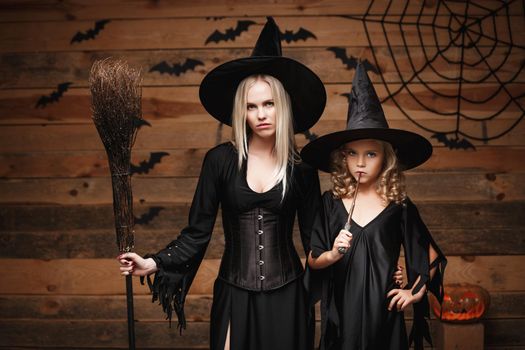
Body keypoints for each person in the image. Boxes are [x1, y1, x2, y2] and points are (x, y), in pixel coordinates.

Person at [117, 17, 327, 350]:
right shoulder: (220, 161)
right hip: (234, 291)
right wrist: (153, 262)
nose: (261, 114)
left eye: (269, 104)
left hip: (289, 295)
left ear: (282, 106)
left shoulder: (301, 169)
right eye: (251, 106)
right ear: (241, 112)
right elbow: (197, 233)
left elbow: (317, 242)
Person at [300, 63, 447, 350]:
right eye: (352, 153)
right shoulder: (330, 203)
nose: (361, 162)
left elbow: (431, 257)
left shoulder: (399, 206)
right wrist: (333, 253)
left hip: (385, 316)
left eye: (371, 153)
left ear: (386, 158)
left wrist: (413, 292)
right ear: (343, 157)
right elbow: (313, 259)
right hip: (342, 315)